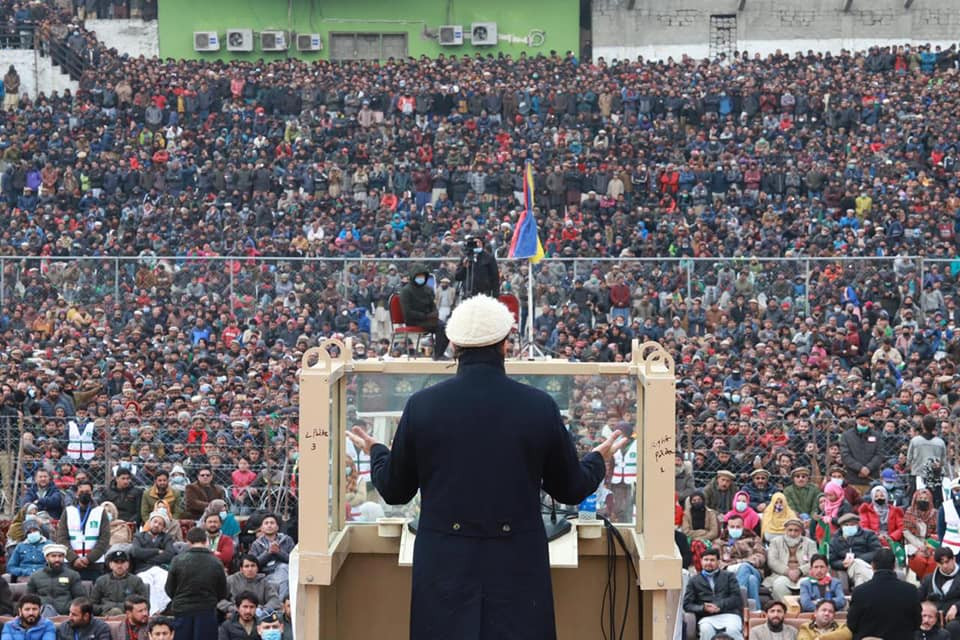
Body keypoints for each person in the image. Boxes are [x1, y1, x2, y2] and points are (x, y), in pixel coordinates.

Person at [346, 294, 626, 639]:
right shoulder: (538, 406)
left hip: (444, 564)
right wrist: (598, 458)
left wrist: (376, 450)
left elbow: (394, 489)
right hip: (516, 565)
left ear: (454, 344)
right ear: (505, 344)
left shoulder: (422, 406)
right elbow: (570, 487)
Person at [164, 527, 227, 640]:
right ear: (206, 540)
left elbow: (169, 589)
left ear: (188, 542)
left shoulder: (177, 560)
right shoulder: (216, 562)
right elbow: (223, 592)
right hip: (207, 610)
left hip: (182, 611)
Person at [847, 548, 921, 640]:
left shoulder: (860, 592)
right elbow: (917, 622)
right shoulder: (911, 591)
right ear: (894, 566)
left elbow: (852, 624)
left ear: (872, 565)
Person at [683, 548, 744, 640]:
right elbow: (687, 605)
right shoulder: (694, 581)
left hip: (730, 614)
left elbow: (736, 598)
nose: (709, 563)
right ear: (701, 561)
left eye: (712, 560)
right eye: (706, 560)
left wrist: (719, 606)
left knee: (732, 630)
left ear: (718, 562)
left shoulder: (729, 576)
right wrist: (703, 608)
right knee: (706, 630)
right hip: (706, 617)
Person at [54, 480, 110, 580]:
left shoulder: (100, 512)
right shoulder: (68, 511)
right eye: (81, 492)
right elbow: (61, 538)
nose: (85, 494)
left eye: (88, 492)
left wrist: (89, 559)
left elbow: (104, 539)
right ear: (76, 494)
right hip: (71, 563)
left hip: (95, 564)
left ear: (92, 494)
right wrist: (74, 558)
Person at [397, 263, 448, 359]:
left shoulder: (428, 289)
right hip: (414, 320)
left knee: (446, 327)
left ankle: (439, 352)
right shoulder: (406, 291)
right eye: (419, 276)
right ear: (413, 276)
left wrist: (434, 313)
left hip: (429, 318)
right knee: (440, 327)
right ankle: (438, 355)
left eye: (423, 276)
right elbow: (407, 312)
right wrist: (425, 316)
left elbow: (432, 305)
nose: (421, 278)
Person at [718, 513, 766, 613]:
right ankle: (755, 612)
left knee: (745, 568)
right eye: (732, 527)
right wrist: (729, 567)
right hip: (730, 573)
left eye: (738, 527)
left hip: (753, 569)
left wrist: (739, 563)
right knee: (751, 580)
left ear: (743, 526)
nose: (735, 529)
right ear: (727, 527)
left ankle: (736, 603)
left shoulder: (753, 538)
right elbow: (716, 561)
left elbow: (761, 557)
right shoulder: (720, 542)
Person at [26, 544, 85, 618]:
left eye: (60, 556)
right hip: (41, 616)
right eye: (53, 556)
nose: (57, 559)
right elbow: (27, 599)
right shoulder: (35, 576)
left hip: (67, 616)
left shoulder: (73, 575)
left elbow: (80, 598)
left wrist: (70, 608)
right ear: (47, 558)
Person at [766, 518, 818, 601]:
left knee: (806, 584)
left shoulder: (810, 543)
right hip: (781, 575)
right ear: (785, 530)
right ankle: (786, 610)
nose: (792, 533)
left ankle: (804, 610)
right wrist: (788, 571)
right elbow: (772, 561)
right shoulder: (775, 542)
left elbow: (815, 561)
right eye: (790, 530)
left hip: (804, 575)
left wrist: (800, 571)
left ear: (801, 531)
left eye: (796, 530)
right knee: (779, 585)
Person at [90, 550, 149, 616]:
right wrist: (105, 608)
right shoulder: (101, 581)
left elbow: (146, 604)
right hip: (105, 616)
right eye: (116, 562)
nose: (119, 566)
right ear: (110, 565)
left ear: (128, 564)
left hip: (129, 616)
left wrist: (127, 608)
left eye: (122, 562)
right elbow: (92, 605)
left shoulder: (136, 581)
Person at [828, 513, 880, 588]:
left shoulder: (868, 535)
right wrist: (842, 564)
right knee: (857, 566)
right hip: (847, 569)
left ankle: (859, 596)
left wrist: (857, 559)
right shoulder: (835, 540)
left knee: (860, 579)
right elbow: (832, 561)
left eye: (852, 525)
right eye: (846, 525)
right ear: (841, 526)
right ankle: (877, 585)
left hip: (868, 566)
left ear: (857, 524)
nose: (849, 527)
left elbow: (877, 552)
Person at [918, 547, 960, 639]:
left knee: (953, 627)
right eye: (941, 563)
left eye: (947, 561)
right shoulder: (929, 579)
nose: (944, 566)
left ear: (954, 559)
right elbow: (917, 598)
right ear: (937, 563)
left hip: (955, 619)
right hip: (933, 619)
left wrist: (957, 606)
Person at [247, 515, 293, 600]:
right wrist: (268, 553)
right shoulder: (256, 544)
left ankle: (279, 603)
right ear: (262, 528)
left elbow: (293, 561)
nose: (269, 525)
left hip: (284, 572)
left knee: (283, 569)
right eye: (266, 523)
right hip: (265, 574)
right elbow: (253, 564)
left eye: (272, 523)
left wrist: (279, 552)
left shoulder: (287, 540)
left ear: (277, 527)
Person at [839, 415, 883, 493]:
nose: (863, 422)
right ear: (856, 420)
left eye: (866, 420)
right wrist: (860, 468)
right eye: (861, 419)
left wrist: (868, 468)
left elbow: (879, 454)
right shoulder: (846, 436)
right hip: (853, 478)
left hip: (871, 478)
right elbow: (845, 455)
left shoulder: (876, 435)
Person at [7, 518, 50, 582]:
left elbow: (56, 564)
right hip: (24, 577)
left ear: (39, 531)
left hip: (44, 577)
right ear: (26, 534)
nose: (32, 533)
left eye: (35, 530)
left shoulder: (49, 545)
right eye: (29, 532)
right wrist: (23, 572)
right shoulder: (20, 546)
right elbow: (11, 567)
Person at [938, 478, 960, 553]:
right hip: (950, 549)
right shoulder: (945, 507)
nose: (958, 493)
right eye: (956, 490)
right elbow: (941, 530)